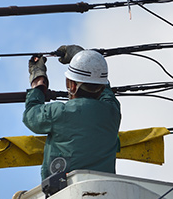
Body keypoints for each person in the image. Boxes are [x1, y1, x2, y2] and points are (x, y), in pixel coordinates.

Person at [23, 45, 121, 180]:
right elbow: (105, 90)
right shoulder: (112, 112)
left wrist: (38, 81)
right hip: (105, 189)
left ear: (72, 86)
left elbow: (31, 116)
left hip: (62, 191)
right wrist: (86, 58)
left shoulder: (58, 113)